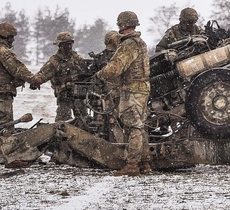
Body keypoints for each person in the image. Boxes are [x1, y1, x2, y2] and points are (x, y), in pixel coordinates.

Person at [95, 11, 150, 176]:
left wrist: (99, 74)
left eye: (119, 24)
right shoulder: (140, 42)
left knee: (132, 126)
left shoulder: (128, 45)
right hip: (142, 88)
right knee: (140, 126)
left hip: (131, 90)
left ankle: (132, 165)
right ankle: (145, 163)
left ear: (123, 25)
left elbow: (114, 69)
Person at [0, 22, 42, 127]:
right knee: (3, 126)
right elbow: (18, 69)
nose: (13, 40)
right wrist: (34, 79)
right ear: (7, 37)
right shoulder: (2, 52)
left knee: (3, 124)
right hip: (2, 93)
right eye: (12, 37)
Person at [36, 32, 89, 124]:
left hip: (79, 96)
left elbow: (87, 70)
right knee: (63, 122)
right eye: (66, 44)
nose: (69, 46)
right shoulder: (54, 61)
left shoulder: (76, 58)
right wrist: (35, 81)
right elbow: (43, 74)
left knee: (83, 120)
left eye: (70, 44)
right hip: (64, 96)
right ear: (60, 45)